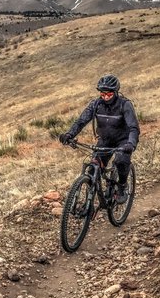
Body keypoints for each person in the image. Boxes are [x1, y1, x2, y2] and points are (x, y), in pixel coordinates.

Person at [59, 74, 139, 204]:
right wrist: (69, 134)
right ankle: (90, 202)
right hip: (105, 140)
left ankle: (122, 187)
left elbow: (133, 128)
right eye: (103, 94)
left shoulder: (125, 105)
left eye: (109, 94)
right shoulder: (96, 104)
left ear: (115, 92)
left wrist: (131, 143)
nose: (106, 97)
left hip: (123, 141)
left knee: (121, 161)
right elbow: (81, 121)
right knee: (92, 169)